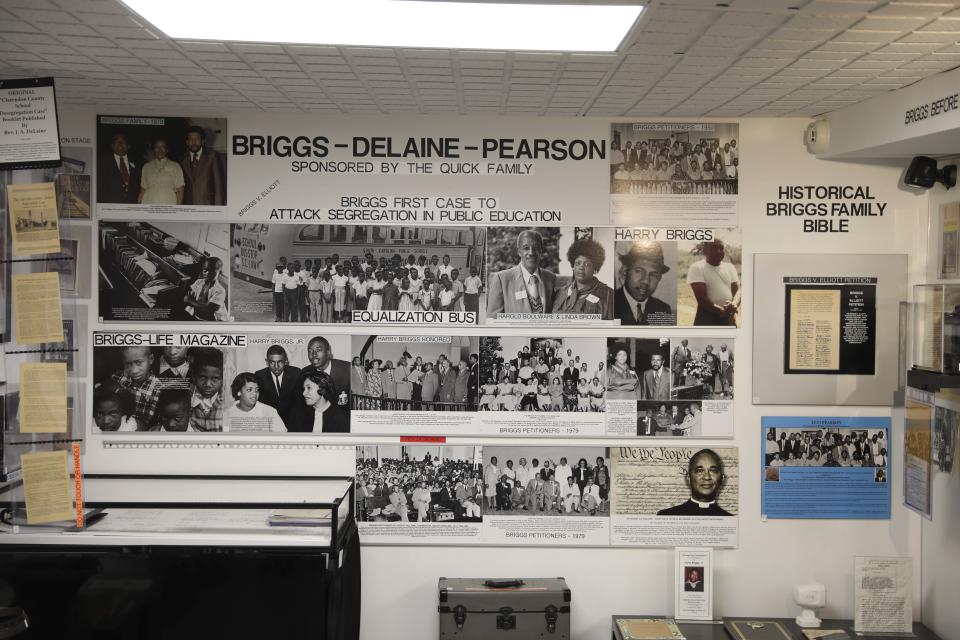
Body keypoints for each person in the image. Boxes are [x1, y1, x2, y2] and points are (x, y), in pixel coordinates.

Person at [486, 230, 557, 316]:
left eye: (536, 248)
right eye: (526, 248)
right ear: (519, 251)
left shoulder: (550, 278)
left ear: (541, 251)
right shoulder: (502, 279)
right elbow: (493, 320)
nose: (531, 253)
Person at [614, 241, 674, 325]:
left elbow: (665, 338)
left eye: (654, 275)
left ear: (659, 279)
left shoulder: (663, 309)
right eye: (638, 271)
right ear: (625, 272)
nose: (646, 281)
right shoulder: (609, 303)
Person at [657, 449, 732, 516]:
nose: (707, 477)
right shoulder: (667, 515)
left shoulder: (730, 519)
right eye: (699, 471)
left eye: (713, 471)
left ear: (722, 479)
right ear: (688, 478)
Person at [553, 237, 614, 318]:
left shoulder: (609, 295)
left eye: (587, 264)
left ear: (595, 268)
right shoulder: (560, 293)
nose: (581, 267)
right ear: (573, 266)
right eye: (578, 263)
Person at [688, 239, 739, 326]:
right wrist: (721, 311)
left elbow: (738, 291)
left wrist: (734, 304)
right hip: (707, 318)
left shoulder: (730, 267)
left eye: (721, 248)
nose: (718, 251)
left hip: (729, 317)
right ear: (705, 251)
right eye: (714, 248)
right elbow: (701, 298)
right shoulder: (697, 267)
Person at [111, 345, 162, 427]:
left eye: (139, 363)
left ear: (151, 359)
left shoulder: (158, 389)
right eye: (128, 364)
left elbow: (149, 423)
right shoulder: (117, 378)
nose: (134, 371)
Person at [254, 345, 303, 429]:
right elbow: (259, 404)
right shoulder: (259, 376)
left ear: (286, 361)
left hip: (294, 422)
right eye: (272, 362)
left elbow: (300, 402)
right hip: (270, 423)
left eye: (280, 362)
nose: (276, 367)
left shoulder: (296, 373)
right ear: (266, 362)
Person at [179, 125, 225, 206]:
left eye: (196, 139)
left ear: (203, 141)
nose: (193, 142)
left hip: (208, 207)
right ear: (187, 142)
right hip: (188, 208)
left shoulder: (212, 156)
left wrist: (219, 210)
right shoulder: (182, 160)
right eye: (190, 139)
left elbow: (219, 187)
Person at [300, 336, 350, 409]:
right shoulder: (305, 372)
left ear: (328, 353)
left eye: (318, 350)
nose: (313, 354)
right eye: (310, 351)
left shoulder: (347, 369)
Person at [186, 348, 224, 432]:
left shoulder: (229, 401)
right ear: (194, 376)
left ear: (223, 379)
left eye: (215, 378)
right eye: (202, 377)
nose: (208, 384)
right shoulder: (186, 398)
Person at [138, 138, 184, 205]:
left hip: (168, 205)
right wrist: (139, 205)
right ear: (153, 150)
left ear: (167, 150)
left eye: (163, 147)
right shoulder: (146, 167)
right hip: (148, 204)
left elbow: (180, 190)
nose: (160, 149)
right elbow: (143, 189)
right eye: (157, 147)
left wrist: (177, 208)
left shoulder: (175, 166)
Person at [99, 132, 141, 204]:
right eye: (117, 141)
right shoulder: (103, 164)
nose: (120, 143)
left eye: (123, 141)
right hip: (111, 207)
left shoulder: (137, 163)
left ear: (128, 146)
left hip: (131, 208)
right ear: (112, 146)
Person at [184, 257, 227, 321]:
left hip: (212, 321)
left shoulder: (220, 291)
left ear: (219, 273)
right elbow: (186, 297)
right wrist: (191, 301)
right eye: (205, 270)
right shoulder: (198, 282)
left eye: (212, 271)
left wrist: (190, 301)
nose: (207, 273)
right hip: (195, 316)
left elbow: (208, 310)